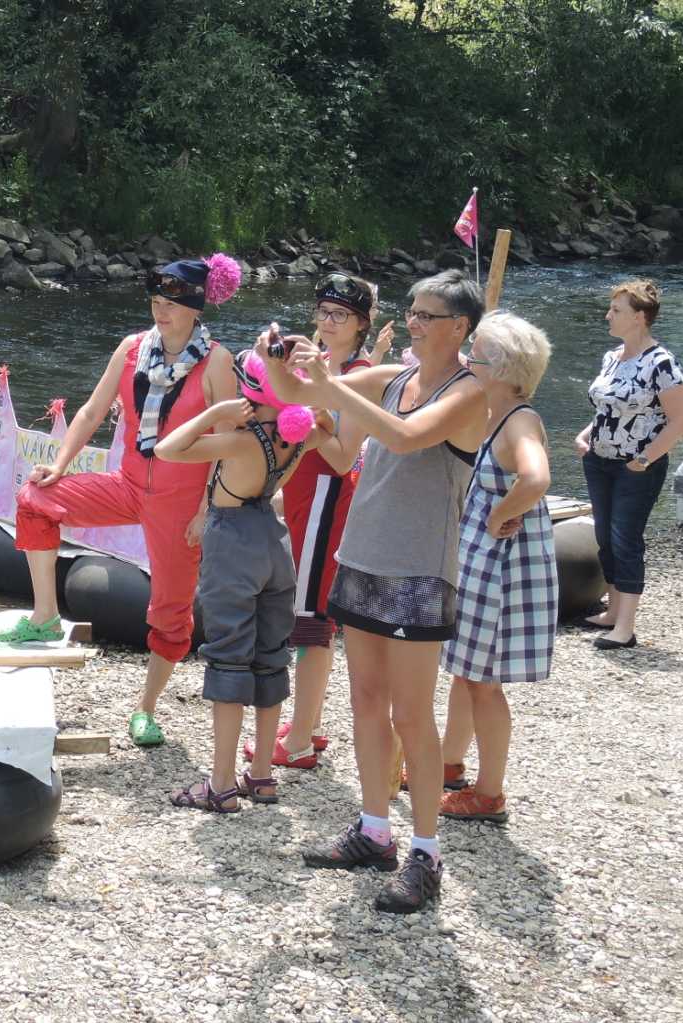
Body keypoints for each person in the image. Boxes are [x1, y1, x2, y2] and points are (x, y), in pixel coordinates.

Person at [261, 269, 486, 914]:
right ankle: (373, 828)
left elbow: (407, 435)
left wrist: (332, 386)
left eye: (426, 314)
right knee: (365, 702)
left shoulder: (470, 391)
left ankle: (426, 852)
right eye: (411, 311)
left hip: (420, 570)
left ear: (460, 327)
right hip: (360, 558)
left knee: (412, 714)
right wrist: (278, 361)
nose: (412, 322)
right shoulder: (390, 379)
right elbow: (295, 395)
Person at [0, 254, 241, 747]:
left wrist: (206, 510)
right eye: (154, 301)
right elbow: (90, 412)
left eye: (170, 303)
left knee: (171, 613)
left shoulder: (218, 362)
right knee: (34, 497)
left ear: (195, 310)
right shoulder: (132, 348)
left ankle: (146, 709)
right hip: (126, 484)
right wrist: (59, 465)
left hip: (179, 504)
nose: (160, 311)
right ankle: (43, 617)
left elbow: (230, 442)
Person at [157, 352, 328, 812]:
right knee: (271, 656)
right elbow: (338, 438)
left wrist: (214, 414)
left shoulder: (239, 439)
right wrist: (315, 400)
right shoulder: (301, 434)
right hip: (275, 541)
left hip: (233, 540)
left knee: (229, 657)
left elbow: (165, 448)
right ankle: (262, 776)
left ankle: (220, 783)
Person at [247, 272, 393, 770]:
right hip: (304, 497)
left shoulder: (360, 371)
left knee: (311, 621)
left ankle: (300, 741)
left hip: (330, 497)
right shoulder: (319, 360)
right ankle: (307, 722)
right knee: (310, 618)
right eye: (323, 313)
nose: (328, 323)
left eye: (341, 316)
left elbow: (342, 455)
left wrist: (308, 426)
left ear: (360, 324)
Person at [437, 312, 557, 825]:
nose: (466, 360)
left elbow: (536, 478)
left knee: (483, 681)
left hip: (500, 568)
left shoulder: (520, 420)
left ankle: (489, 794)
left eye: (475, 354)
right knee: (465, 672)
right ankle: (448, 764)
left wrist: (499, 516)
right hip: (480, 562)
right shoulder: (489, 411)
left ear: (502, 368)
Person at [575, 279, 683, 650]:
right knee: (604, 537)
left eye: (617, 311)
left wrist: (645, 458)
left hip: (636, 467)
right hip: (599, 460)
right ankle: (612, 611)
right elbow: (609, 408)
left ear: (640, 318)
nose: (608, 315)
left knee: (626, 540)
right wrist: (586, 433)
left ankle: (625, 627)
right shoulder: (612, 356)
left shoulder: (662, 363)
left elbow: (681, 421)